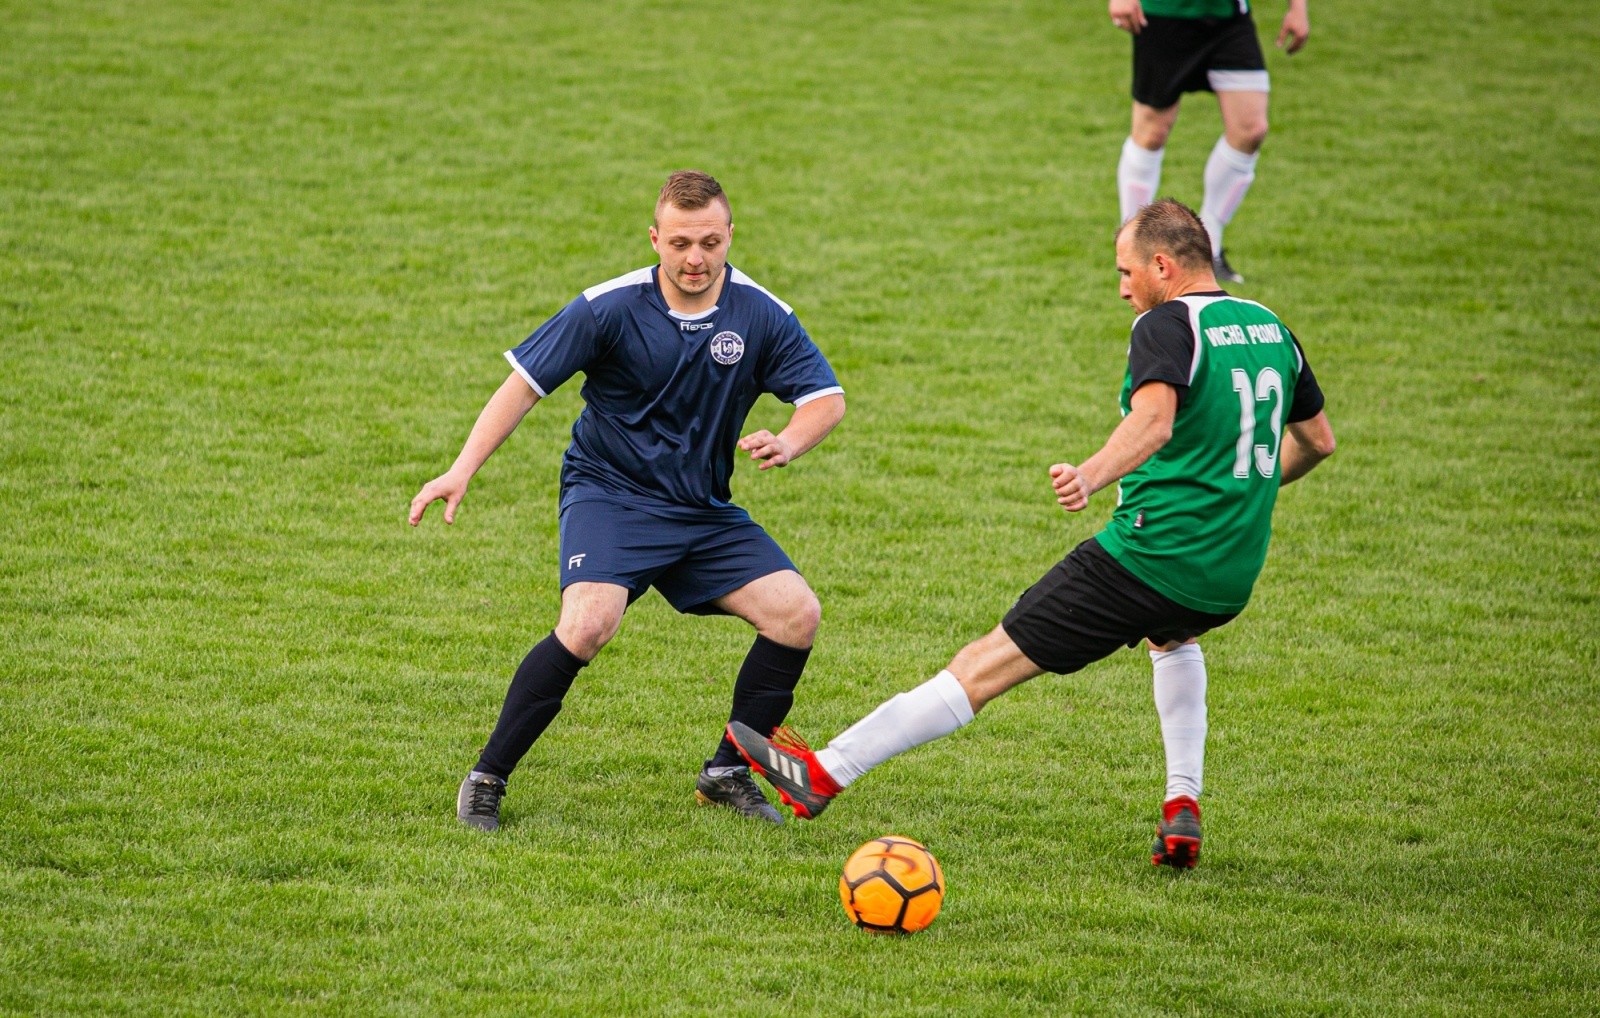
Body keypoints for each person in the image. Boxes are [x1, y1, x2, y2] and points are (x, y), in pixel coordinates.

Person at [729, 199, 1334, 868]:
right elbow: (1317, 442)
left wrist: (1091, 474)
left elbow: (1155, 422)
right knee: (1173, 635)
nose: (1122, 287)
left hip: (1146, 557)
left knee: (979, 668)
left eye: (1127, 271)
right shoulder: (1269, 325)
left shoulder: (1166, 323)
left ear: (1163, 265)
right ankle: (1181, 806)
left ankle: (823, 775)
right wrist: (1241, 490)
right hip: (1226, 580)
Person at [410, 171, 846, 831]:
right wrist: (461, 468)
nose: (694, 258)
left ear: (730, 237)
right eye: (679, 243)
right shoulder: (608, 307)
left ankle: (728, 770)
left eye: (708, 242)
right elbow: (524, 385)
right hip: (610, 494)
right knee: (587, 624)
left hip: (699, 508)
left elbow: (826, 399)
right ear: (655, 239)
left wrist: (791, 440)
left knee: (796, 614)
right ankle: (487, 776)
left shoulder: (760, 313)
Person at [1110, 0, 1310, 283]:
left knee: (1251, 128)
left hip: (1228, 16)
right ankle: (1132, 251)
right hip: (1163, 13)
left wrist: (1298, 7)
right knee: (1151, 131)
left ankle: (1209, 247)